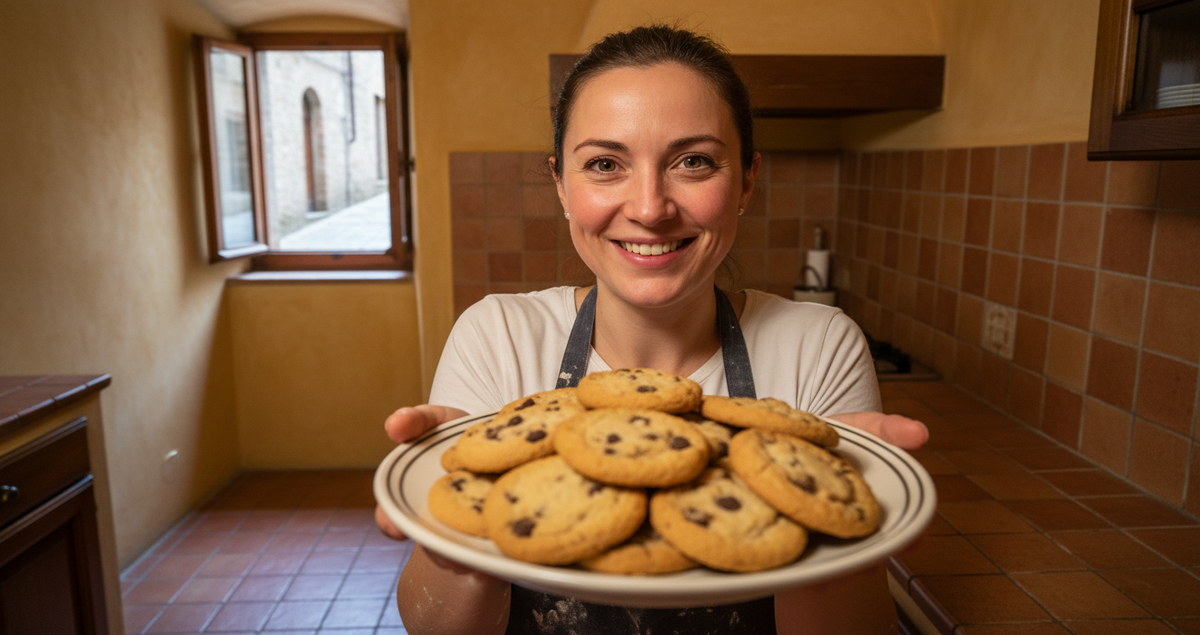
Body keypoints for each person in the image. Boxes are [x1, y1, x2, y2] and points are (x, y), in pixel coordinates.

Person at [376, 24, 929, 635]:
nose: (649, 207)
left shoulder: (818, 344)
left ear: (746, 179)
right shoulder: (498, 335)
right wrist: (458, 534)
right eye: (605, 163)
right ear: (561, 184)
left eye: (693, 161)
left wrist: (833, 538)